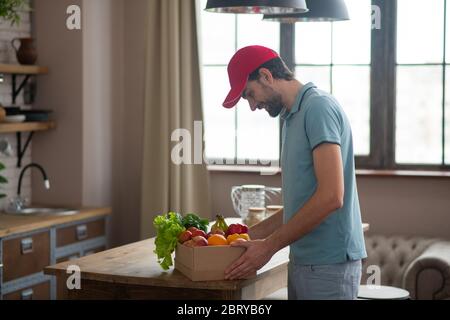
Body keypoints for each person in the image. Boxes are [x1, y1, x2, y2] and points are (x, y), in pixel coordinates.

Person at [222, 45, 367, 300]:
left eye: (250, 94)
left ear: (266, 76)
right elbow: (299, 207)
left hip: (328, 265)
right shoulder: (292, 117)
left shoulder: (318, 108)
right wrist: (242, 237)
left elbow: (332, 196)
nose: (253, 106)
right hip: (304, 260)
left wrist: (269, 247)